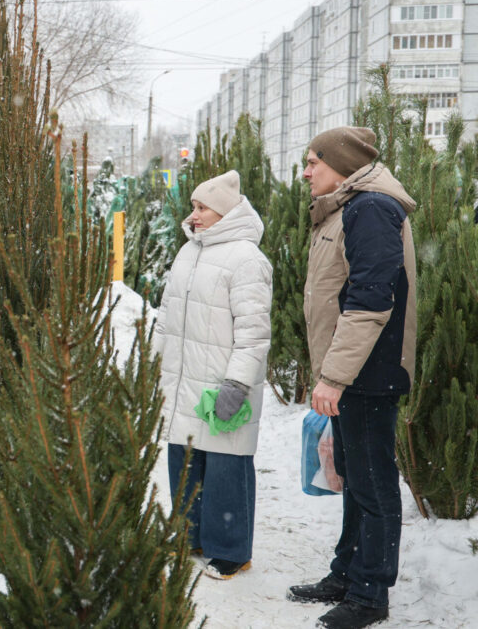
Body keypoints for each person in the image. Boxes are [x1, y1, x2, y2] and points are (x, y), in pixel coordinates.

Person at [287, 126, 417, 629]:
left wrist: (335, 378)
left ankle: (370, 594)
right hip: (352, 372)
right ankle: (348, 572)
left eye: (314, 161)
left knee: (373, 483)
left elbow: (368, 302)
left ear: (341, 164)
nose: (306, 171)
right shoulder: (347, 208)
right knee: (355, 476)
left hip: (369, 373)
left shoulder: (371, 210)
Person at [156, 170, 272, 581]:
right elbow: (167, 316)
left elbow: (254, 332)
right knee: (185, 460)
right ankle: (190, 536)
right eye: (194, 206)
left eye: (202, 207)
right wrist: (154, 365)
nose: (195, 214)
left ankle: (231, 550)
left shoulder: (246, 260)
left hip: (222, 382)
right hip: (184, 377)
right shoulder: (188, 253)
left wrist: (237, 383)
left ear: (224, 212)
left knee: (226, 467)